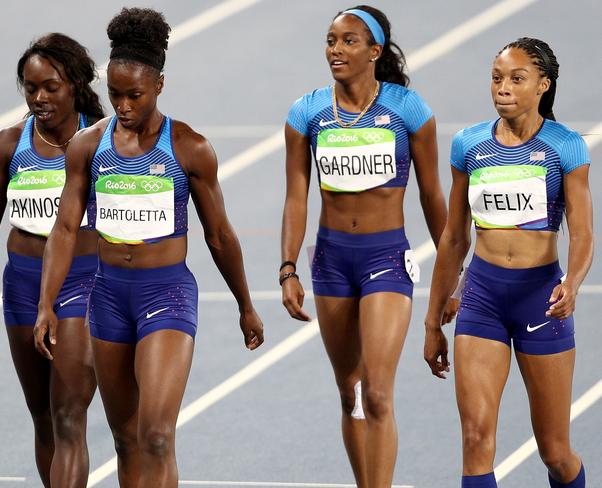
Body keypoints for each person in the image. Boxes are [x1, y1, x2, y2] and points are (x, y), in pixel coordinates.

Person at [32, 8, 264, 488]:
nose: (123, 106)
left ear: (160, 84)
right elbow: (64, 230)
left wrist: (245, 304)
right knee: (126, 438)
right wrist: (46, 303)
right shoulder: (87, 147)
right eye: (115, 94)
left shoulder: (188, 148)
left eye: (134, 95)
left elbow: (219, 234)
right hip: (109, 296)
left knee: (157, 435)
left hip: (167, 294)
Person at [280, 5, 449, 487]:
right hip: (331, 263)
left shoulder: (407, 110)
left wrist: (454, 272)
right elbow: (297, 197)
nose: (336, 49)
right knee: (349, 392)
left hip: (386, 259)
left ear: (374, 51)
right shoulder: (307, 112)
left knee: (377, 392)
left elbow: (432, 196)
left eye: (349, 41)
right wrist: (288, 268)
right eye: (331, 40)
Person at [424, 38, 592, 488]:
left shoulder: (565, 147)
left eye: (517, 79)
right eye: (497, 78)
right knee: (476, 437)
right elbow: (454, 236)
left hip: (541, 300)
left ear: (543, 85)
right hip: (483, 298)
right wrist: (431, 320)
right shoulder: (469, 145)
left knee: (554, 452)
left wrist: (572, 283)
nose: (503, 87)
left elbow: (583, 232)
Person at [0, 34, 105, 487]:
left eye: (51, 87)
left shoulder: (104, 142)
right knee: (42, 414)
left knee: (69, 415)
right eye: (30, 88)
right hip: (23, 284)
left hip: (82, 284)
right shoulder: (8, 145)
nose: (39, 98)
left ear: (76, 85)